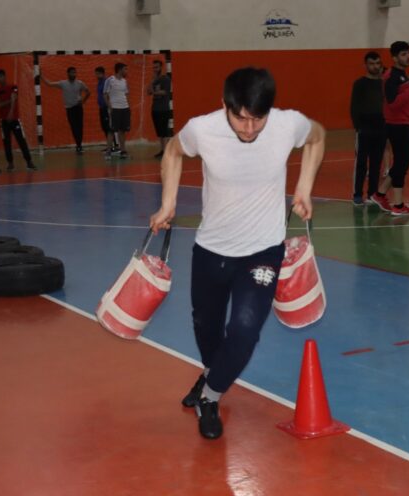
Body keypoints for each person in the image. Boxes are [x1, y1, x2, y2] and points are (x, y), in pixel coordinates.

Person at [149, 67, 325, 440]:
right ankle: (211, 375)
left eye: (257, 119)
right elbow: (173, 152)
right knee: (206, 327)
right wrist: (168, 203)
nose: (248, 128)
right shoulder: (202, 129)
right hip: (211, 249)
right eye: (240, 119)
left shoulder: (287, 124)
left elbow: (317, 137)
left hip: (262, 251)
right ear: (225, 106)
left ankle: (210, 397)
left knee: (245, 329)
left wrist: (304, 188)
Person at [370, 41, 409, 216]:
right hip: (395, 125)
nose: (408, 56)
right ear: (395, 58)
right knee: (402, 163)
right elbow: (393, 103)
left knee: (402, 163)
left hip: (403, 124)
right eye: (404, 54)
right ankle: (397, 205)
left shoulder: (402, 75)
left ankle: (381, 194)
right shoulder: (391, 76)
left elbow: (404, 106)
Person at [349, 51, 386, 206]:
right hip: (364, 128)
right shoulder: (359, 84)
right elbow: (354, 107)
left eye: (377, 63)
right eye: (372, 63)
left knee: (376, 164)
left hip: (381, 128)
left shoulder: (384, 83)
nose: (375, 66)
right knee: (361, 163)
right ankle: (357, 194)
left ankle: (372, 194)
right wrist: (358, 127)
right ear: (366, 65)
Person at [0, 69, 35, 171]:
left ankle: (29, 162)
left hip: (15, 119)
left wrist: (11, 112)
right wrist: (10, 101)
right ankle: (10, 163)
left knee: (21, 140)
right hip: (3, 120)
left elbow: (14, 98)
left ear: (4, 76)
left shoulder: (13, 86)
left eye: (1, 76)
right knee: (6, 142)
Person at [41, 67, 90, 154]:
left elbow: (88, 92)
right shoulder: (63, 83)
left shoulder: (79, 83)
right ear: (68, 74)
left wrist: (83, 101)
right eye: (72, 73)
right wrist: (41, 76)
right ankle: (78, 144)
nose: (74, 74)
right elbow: (49, 84)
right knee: (74, 127)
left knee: (80, 127)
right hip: (69, 109)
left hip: (78, 108)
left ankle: (79, 145)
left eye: (75, 72)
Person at [103, 62, 130, 159]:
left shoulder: (124, 81)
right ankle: (108, 152)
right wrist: (110, 107)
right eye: (125, 69)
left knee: (122, 130)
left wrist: (127, 106)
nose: (126, 71)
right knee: (111, 131)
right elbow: (105, 94)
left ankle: (123, 151)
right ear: (119, 70)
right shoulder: (110, 80)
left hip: (125, 108)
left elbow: (126, 94)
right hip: (115, 109)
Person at [147, 59, 172, 158]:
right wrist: (152, 81)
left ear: (161, 67)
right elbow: (148, 92)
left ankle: (166, 151)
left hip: (163, 109)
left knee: (164, 132)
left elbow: (165, 92)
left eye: (156, 67)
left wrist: (154, 92)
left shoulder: (165, 79)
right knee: (159, 132)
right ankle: (162, 150)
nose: (155, 69)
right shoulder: (154, 79)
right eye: (153, 67)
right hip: (155, 109)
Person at [94, 66, 119, 157]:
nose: (96, 75)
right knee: (105, 127)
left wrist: (110, 106)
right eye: (96, 74)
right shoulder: (99, 82)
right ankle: (109, 146)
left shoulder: (107, 82)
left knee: (110, 128)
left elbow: (109, 94)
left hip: (107, 108)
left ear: (102, 73)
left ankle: (115, 146)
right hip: (102, 108)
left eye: (98, 74)